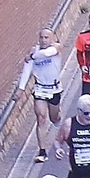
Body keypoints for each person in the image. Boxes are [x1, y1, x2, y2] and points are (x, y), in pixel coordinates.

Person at [20, 28, 65, 163]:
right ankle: (42, 151)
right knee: (41, 118)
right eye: (42, 37)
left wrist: (33, 56)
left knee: (54, 117)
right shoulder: (35, 51)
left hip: (54, 89)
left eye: (47, 37)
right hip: (40, 88)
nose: (44, 40)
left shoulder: (55, 48)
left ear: (52, 39)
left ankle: (57, 115)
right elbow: (27, 68)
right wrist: (21, 88)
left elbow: (47, 54)